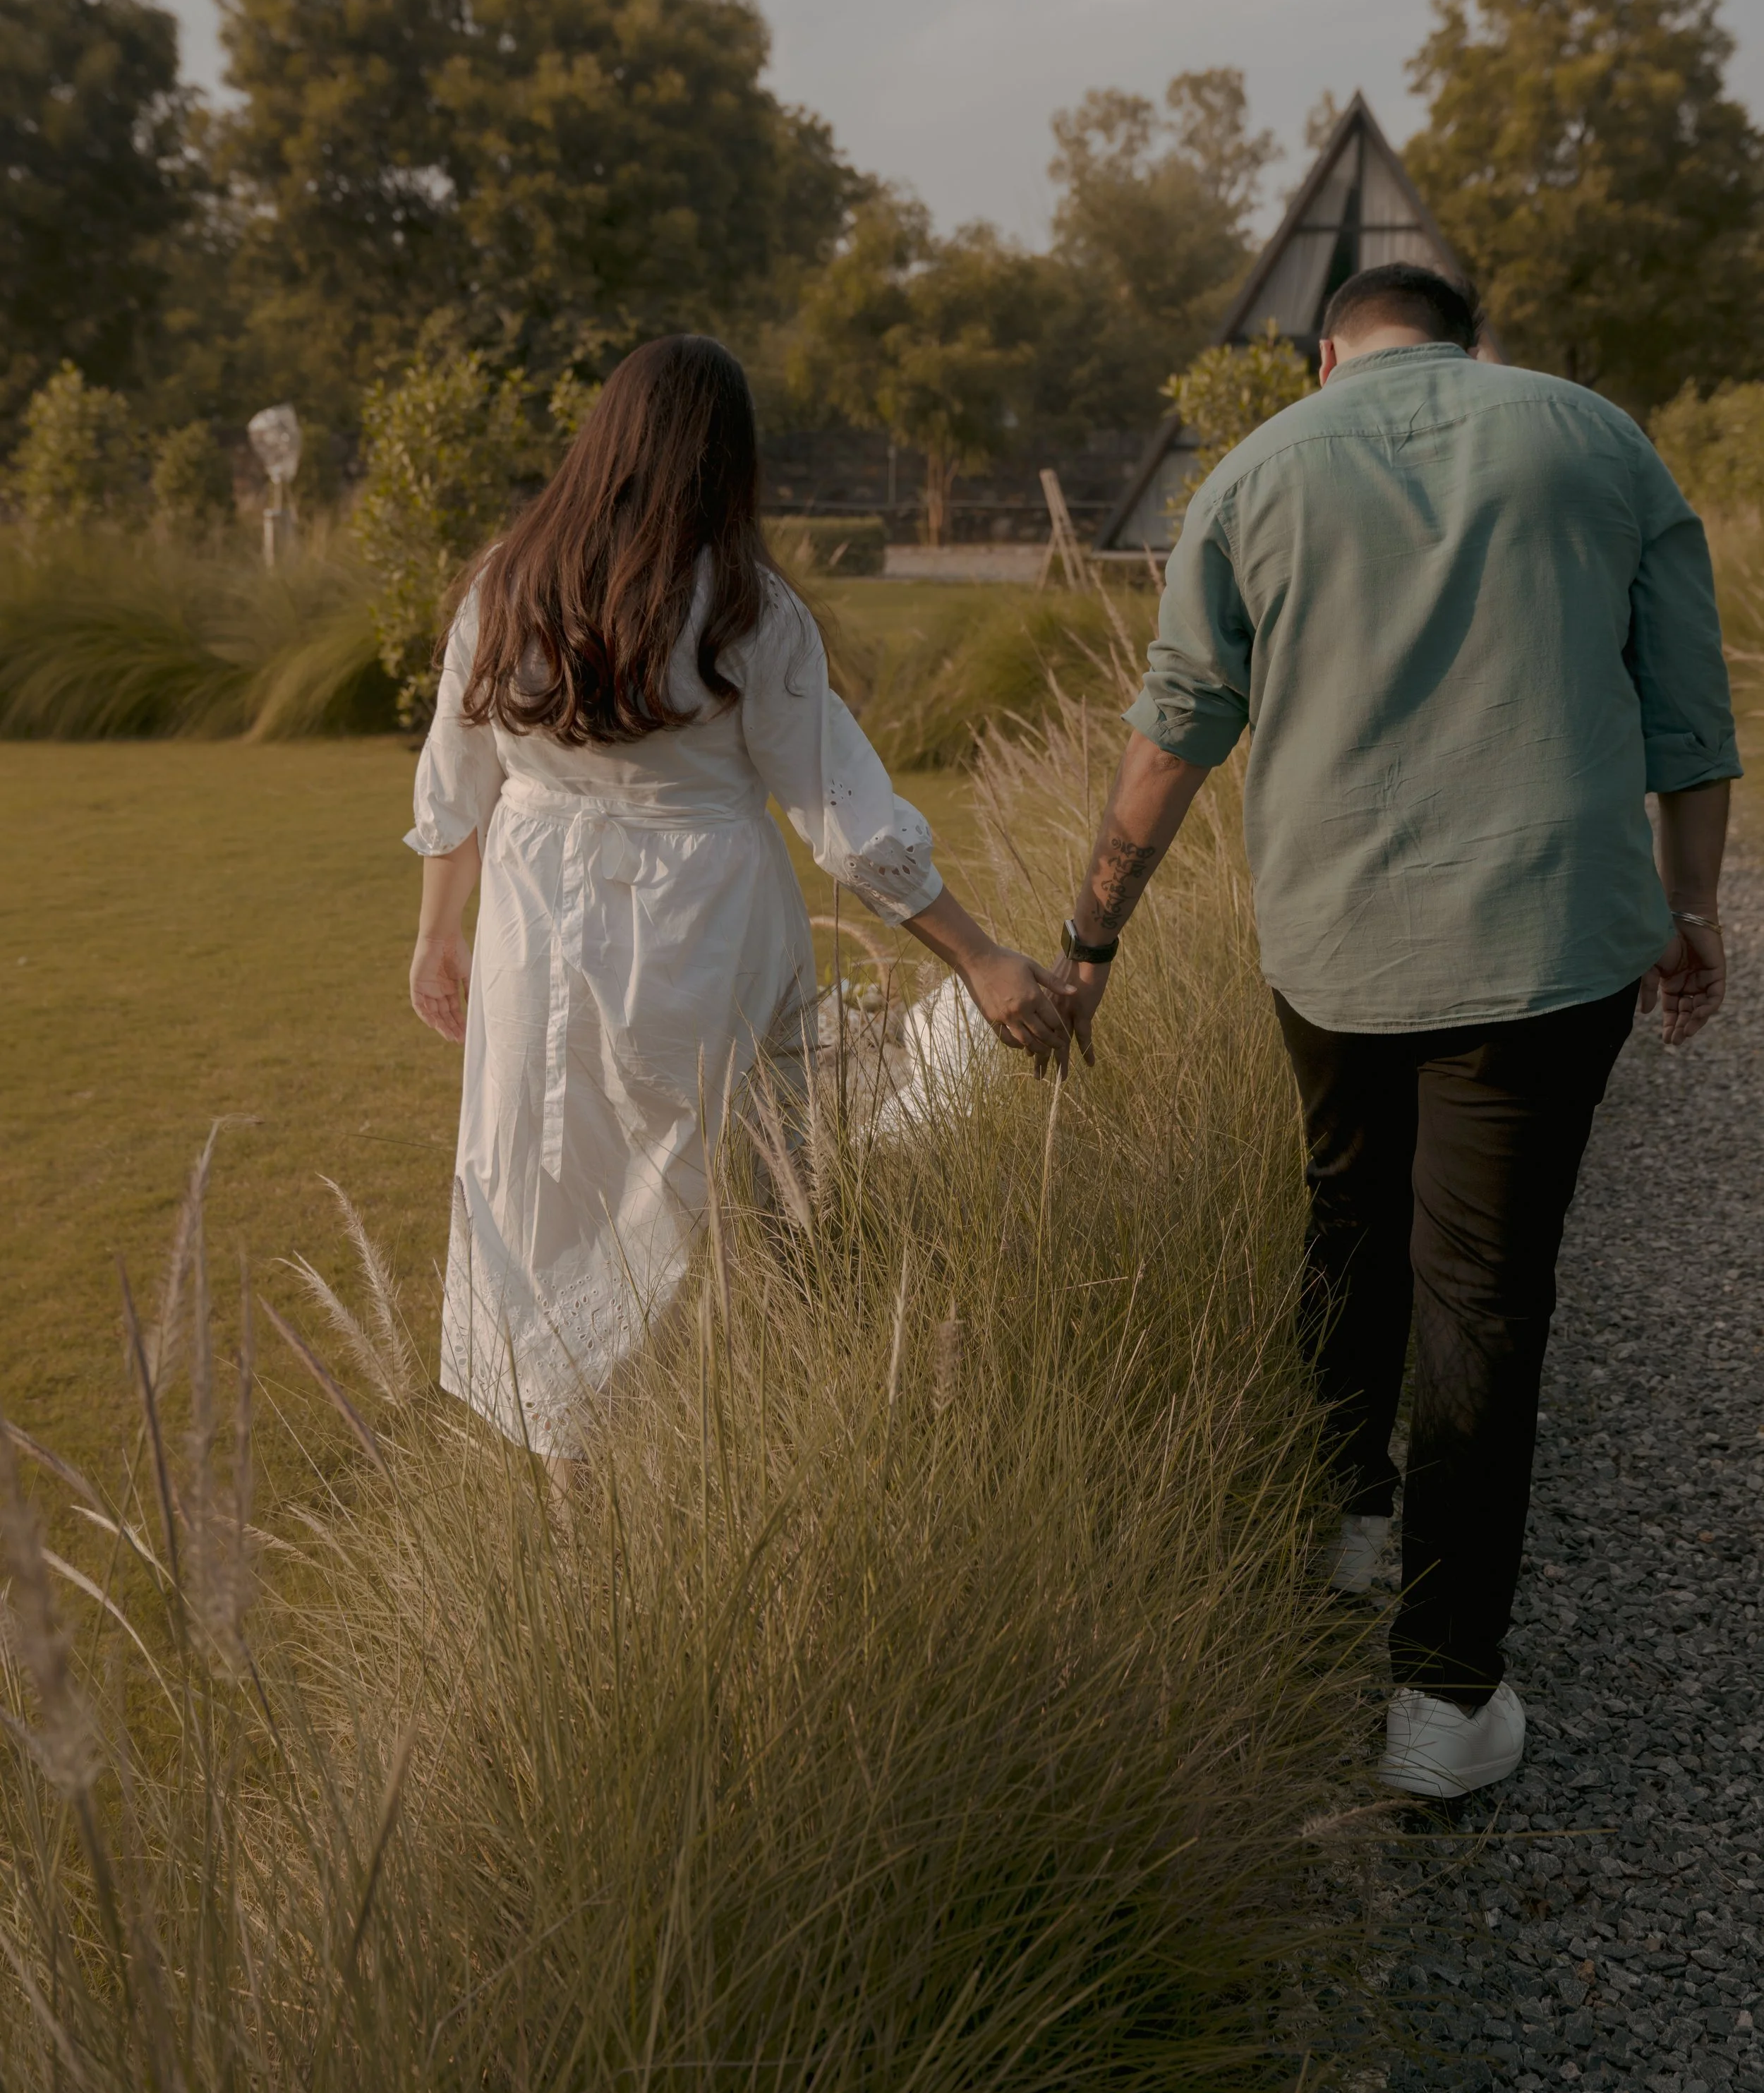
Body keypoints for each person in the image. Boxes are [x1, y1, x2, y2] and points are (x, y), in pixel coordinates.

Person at [1051, 263, 1739, 1799]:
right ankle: (1440, 1700)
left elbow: (1172, 730)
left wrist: (1089, 938)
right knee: (1483, 1293)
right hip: (1548, 941)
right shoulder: (1593, 438)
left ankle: (1345, 1518)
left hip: (1331, 942)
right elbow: (1689, 713)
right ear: (1467, 339)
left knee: (1348, 1212)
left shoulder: (1253, 470)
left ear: (1325, 351)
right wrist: (1692, 907)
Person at [407, 333, 1072, 1466]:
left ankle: (580, 1484)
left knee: (548, 1180)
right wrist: (978, 954)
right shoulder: (745, 608)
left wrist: (439, 933)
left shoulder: (506, 583)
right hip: (699, 930)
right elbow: (843, 812)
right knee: (701, 1194)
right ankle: (691, 1462)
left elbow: (456, 778)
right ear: (726, 459)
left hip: (538, 933)